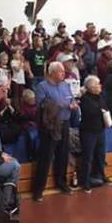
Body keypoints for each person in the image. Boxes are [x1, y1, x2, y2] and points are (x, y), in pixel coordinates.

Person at [32, 62, 77, 201]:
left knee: (63, 154)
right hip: (50, 126)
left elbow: (71, 98)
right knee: (46, 157)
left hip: (64, 122)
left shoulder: (65, 85)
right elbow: (43, 105)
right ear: (52, 73)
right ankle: (38, 189)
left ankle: (61, 182)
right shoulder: (42, 87)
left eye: (63, 71)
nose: (64, 74)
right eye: (61, 71)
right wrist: (64, 105)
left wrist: (73, 104)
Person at [78, 76, 108, 193]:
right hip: (88, 131)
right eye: (97, 84)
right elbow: (90, 111)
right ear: (91, 87)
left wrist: (101, 110)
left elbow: (105, 107)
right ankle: (85, 181)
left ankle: (101, 175)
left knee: (101, 154)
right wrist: (101, 110)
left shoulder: (100, 96)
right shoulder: (84, 99)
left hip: (100, 129)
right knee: (88, 157)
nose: (100, 86)